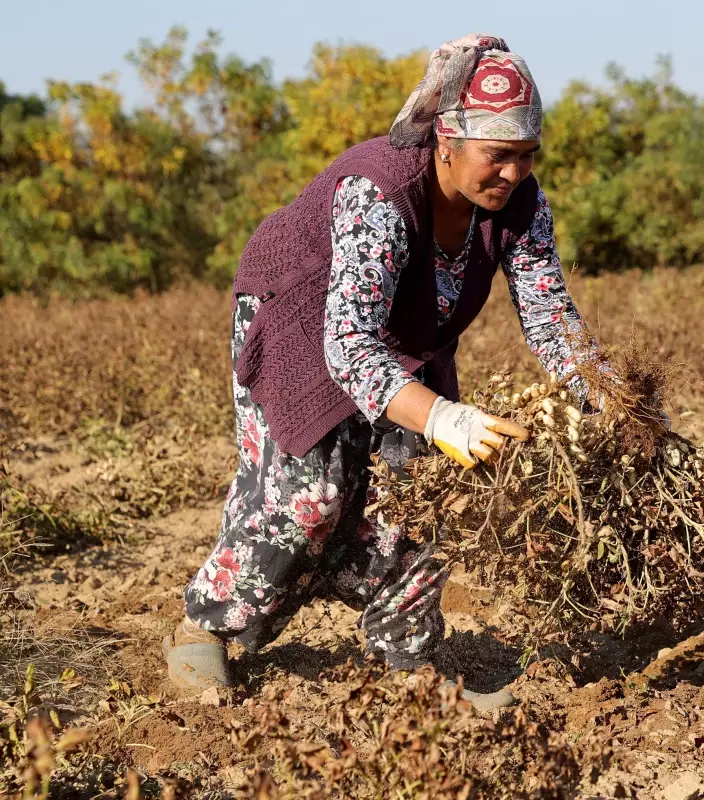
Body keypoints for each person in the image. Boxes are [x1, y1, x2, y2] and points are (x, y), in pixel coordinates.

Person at [163, 34, 626, 711]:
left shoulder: (522, 207)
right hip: (301, 314)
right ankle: (203, 627)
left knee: (421, 492)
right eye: (498, 156)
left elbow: (552, 317)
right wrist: (443, 416)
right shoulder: (378, 192)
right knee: (311, 497)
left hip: (409, 335)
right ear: (447, 140)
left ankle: (409, 666)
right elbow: (349, 344)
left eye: (528, 157)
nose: (514, 174)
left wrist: (612, 401)